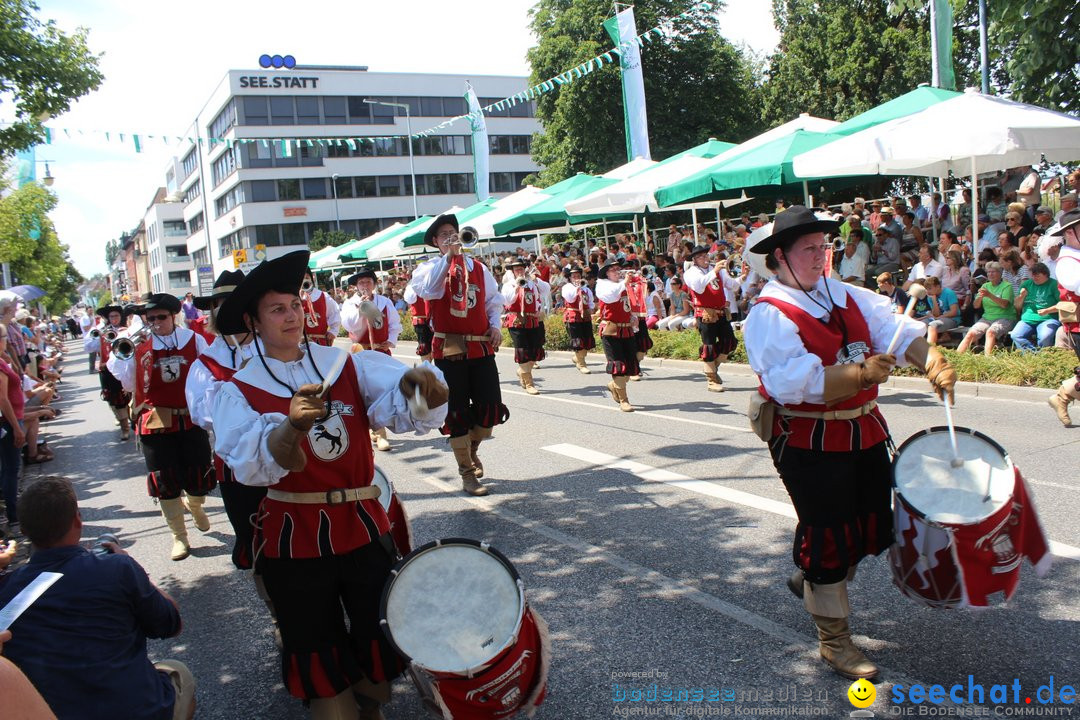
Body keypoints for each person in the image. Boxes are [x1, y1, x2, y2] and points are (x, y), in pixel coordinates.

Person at [212, 250, 448, 720]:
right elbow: (252, 467)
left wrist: (425, 390)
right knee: (314, 642)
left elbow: (401, 410)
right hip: (294, 534)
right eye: (277, 309)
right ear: (254, 323)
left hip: (361, 524)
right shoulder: (238, 388)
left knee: (373, 630)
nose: (292, 315)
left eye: (295, 304)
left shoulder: (344, 364)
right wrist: (289, 429)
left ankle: (373, 708)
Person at [744, 206, 955, 680]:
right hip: (808, 439)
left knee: (865, 524)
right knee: (829, 532)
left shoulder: (839, 292)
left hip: (862, 427)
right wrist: (857, 373)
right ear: (780, 256)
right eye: (810, 249)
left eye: (825, 247)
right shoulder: (769, 313)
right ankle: (834, 641)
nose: (822, 256)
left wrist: (932, 360)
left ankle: (811, 575)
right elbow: (788, 383)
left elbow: (890, 328)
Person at [0, 476, 195, 720]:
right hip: (138, 710)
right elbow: (171, 623)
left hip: (51, 712)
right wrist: (135, 568)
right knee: (179, 672)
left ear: (25, 532)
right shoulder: (117, 568)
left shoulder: (7, 592)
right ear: (77, 520)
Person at [107, 294, 214, 561]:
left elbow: (208, 376)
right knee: (164, 480)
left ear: (173, 316)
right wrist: (133, 355)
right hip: (155, 418)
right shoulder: (141, 345)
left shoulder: (194, 340)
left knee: (199, 474)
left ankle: (195, 503)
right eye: (150, 318)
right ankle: (179, 536)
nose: (155, 323)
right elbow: (130, 386)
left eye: (161, 317)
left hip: (189, 416)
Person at [408, 213, 506, 497]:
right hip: (449, 347)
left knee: (490, 410)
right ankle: (467, 472)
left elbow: (493, 301)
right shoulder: (427, 269)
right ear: (436, 243)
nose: (451, 238)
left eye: (454, 232)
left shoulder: (477, 267)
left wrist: (496, 326)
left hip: (480, 344)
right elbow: (428, 291)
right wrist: (447, 261)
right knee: (457, 411)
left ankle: (472, 448)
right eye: (444, 236)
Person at [183, 270, 264, 571]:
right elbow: (201, 415)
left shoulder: (274, 347)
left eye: (234, 302)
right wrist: (235, 391)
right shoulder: (205, 364)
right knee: (253, 538)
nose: (226, 310)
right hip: (235, 467)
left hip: (285, 456)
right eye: (220, 304)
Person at [342, 267, 403, 452]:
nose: (364, 286)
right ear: (356, 286)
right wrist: (361, 309)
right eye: (361, 283)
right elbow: (348, 324)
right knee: (363, 393)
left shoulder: (384, 302)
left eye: (368, 282)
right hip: (361, 353)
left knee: (382, 392)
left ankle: (381, 432)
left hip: (380, 351)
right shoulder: (350, 303)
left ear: (374, 284)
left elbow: (394, 324)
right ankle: (374, 430)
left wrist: (390, 341)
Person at [683, 246, 739, 392]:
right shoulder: (690, 273)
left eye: (706, 255)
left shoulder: (716, 269)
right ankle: (711, 379)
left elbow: (732, 285)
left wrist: (742, 275)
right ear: (694, 260)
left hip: (721, 312)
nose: (706, 258)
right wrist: (714, 272)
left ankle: (712, 367)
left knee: (730, 343)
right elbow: (699, 286)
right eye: (701, 256)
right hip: (705, 314)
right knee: (709, 346)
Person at [1047, 210, 1080, 425]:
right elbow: (1076, 286)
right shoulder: (1066, 260)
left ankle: (1061, 397)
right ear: (1070, 232)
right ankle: (1061, 397)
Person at [501, 258, 549, 395]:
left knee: (534, 351)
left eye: (521, 269)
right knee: (523, 350)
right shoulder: (508, 284)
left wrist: (535, 279)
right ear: (513, 272)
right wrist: (517, 287)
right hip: (516, 319)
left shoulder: (531, 283)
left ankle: (522, 371)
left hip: (532, 319)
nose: (519, 271)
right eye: (517, 270)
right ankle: (529, 383)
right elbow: (507, 300)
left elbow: (545, 291)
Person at [595, 258, 638, 412]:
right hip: (611, 330)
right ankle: (624, 400)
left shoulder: (622, 285)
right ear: (606, 273)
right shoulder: (603, 285)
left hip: (626, 328)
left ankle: (615, 386)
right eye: (613, 270)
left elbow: (627, 304)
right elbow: (611, 297)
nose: (618, 272)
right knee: (618, 365)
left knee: (630, 366)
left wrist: (633, 316)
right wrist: (624, 282)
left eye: (618, 269)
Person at [84, 304, 133, 440]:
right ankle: (125, 427)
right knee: (114, 399)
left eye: (116, 315)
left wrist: (127, 332)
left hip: (124, 367)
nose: (114, 319)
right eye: (111, 316)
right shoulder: (102, 330)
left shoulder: (128, 329)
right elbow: (88, 347)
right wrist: (97, 336)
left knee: (129, 396)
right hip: (107, 369)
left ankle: (131, 423)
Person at [956, 262, 1017, 355]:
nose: (990, 274)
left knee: (991, 332)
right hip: (987, 318)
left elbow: (1004, 304)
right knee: (971, 333)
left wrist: (989, 295)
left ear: (1000, 273)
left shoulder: (1007, 286)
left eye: (993, 272)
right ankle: (956, 357)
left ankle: (987, 360)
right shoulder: (985, 286)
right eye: (988, 272)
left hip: (1005, 317)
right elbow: (976, 306)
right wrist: (980, 297)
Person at [1009, 263, 1060, 353]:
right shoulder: (1027, 284)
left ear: (1045, 274)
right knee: (1015, 335)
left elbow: (1062, 304)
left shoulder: (1053, 284)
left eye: (1037, 276)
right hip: (1027, 319)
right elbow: (1017, 306)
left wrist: (1048, 310)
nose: (1034, 278)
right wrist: (1021, 296)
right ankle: (1033, 355)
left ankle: (1045, 355)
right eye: (1032, 275)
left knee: (1045, 337)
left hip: (1048, 318)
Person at [561, 265, 596, 374]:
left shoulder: (585, 288)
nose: (577, 278)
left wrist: (591, 309)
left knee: (587, 339)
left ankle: (578, 358)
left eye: (578, 276)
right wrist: (577, 288)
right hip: (573, 315)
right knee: (578, 340)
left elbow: (590, 300)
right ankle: (581, 364)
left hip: (584, 315)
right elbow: (570, 298)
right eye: (574, 276)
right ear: (570, 278)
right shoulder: (567, 287)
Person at [300, 269, 342, 346]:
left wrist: (333, 331)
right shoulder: (295, 297)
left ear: (311, 278)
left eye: (307, 277)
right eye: (301, 278)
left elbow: (335, 313)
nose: (304, 280)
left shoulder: (323, 296)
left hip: (320, 342)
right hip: (300, 343)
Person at [403, 270, 433, 363]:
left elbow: (409, 300)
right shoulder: (412, 287)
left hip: (431, 319)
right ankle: (427, 369)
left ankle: (430, 369)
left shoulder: (429, 284)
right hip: (422, 320)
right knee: (424, 347)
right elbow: (410, 299)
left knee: (434, 346)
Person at [919, 277, 960, 345]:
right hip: (939, 318)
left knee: (933, 325)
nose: (928, 291)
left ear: (937, 287)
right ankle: (920, 346)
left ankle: (930, 348)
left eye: (930, 288)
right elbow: (936, 314)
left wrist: (940, 317)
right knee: (921, 324)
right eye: (926, 289)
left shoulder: (949, 293)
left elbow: (954, 312)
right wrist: (934, 299)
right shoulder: (931, 297)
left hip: (953, 319)